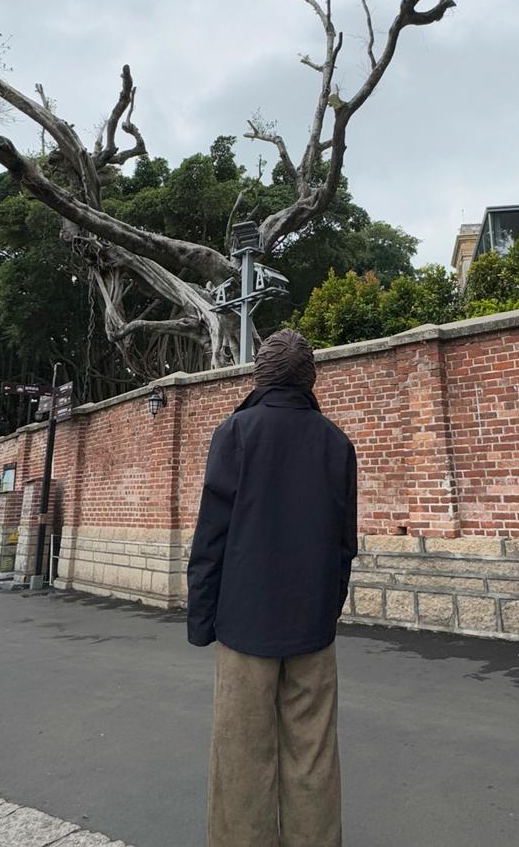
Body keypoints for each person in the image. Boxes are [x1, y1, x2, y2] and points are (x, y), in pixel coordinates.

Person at [187, 329, 358, 847]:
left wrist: (202, 619)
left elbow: (211, 534)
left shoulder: (236, 432)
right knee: (314, 753)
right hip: (312, 627)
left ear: (258, 376)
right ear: (310, 378)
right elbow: (343, 544)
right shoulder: (336, 442)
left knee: (242, 754)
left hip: (244, 622)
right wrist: (327, 612)